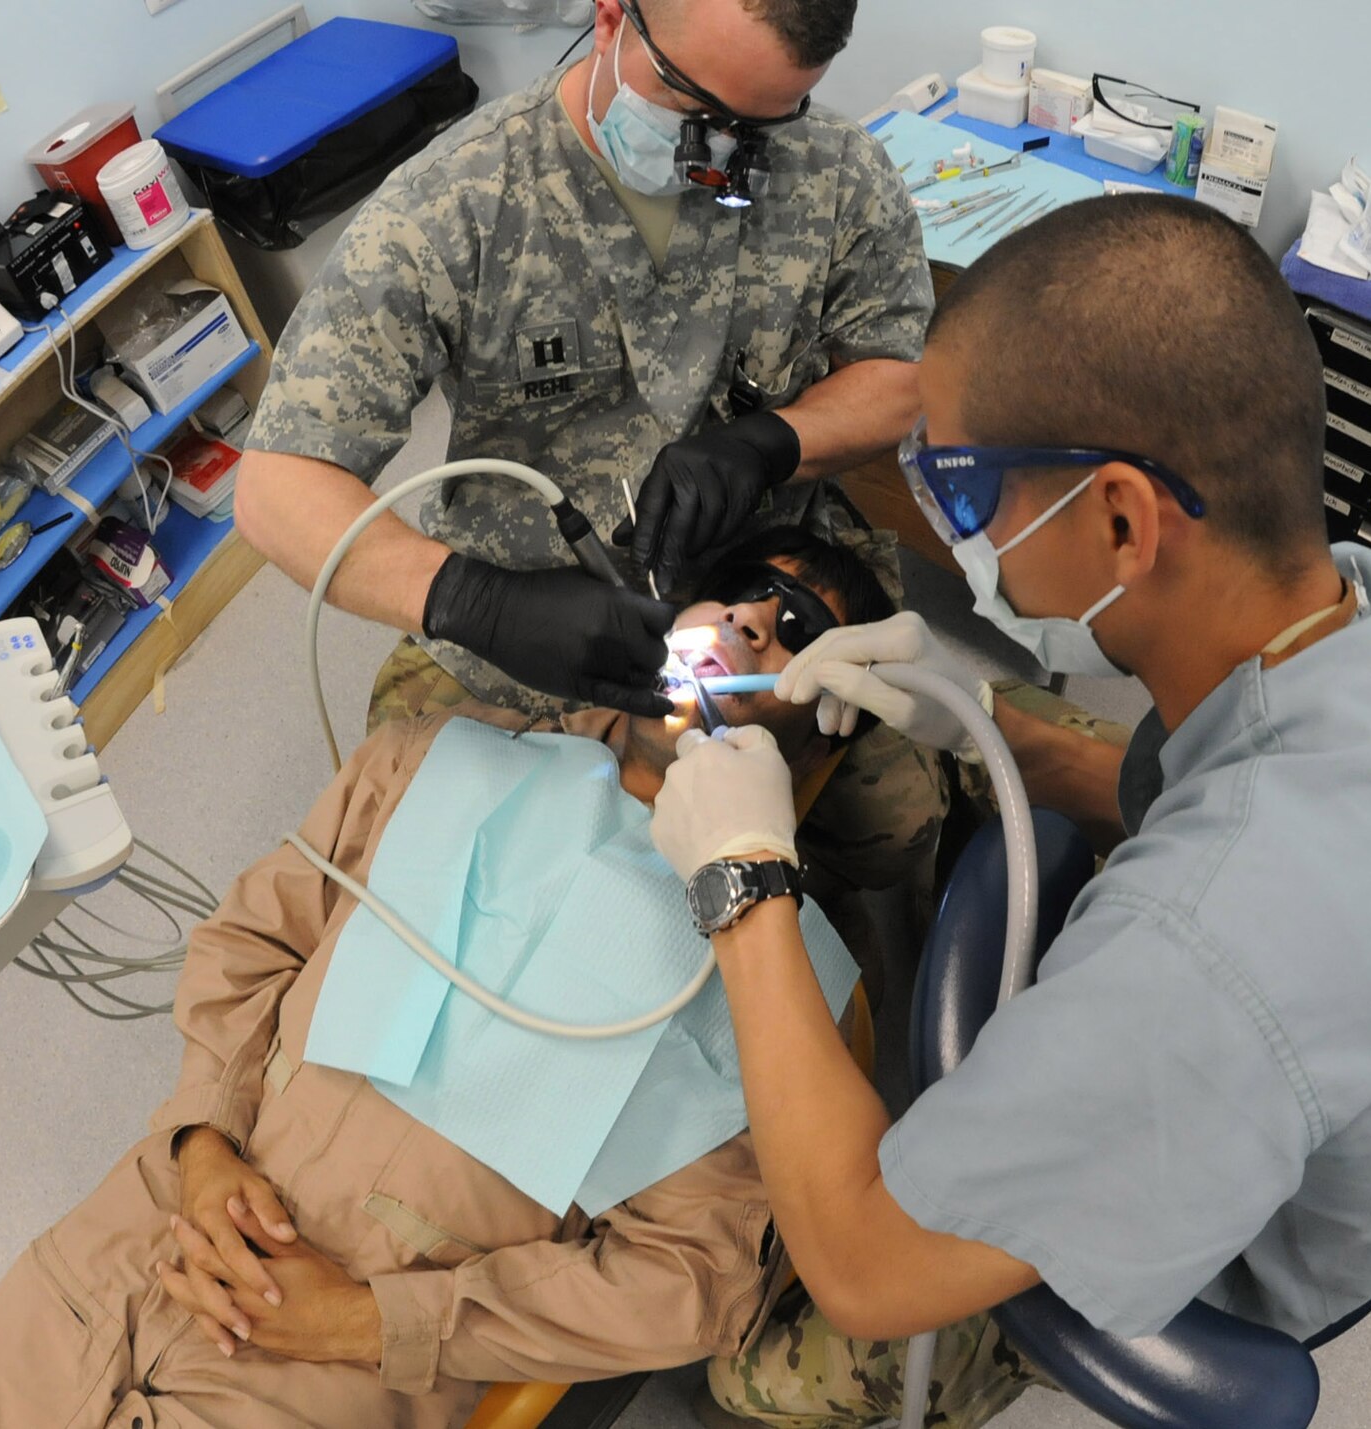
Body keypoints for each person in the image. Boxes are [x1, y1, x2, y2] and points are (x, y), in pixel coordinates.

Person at [649, 195, 1371, 1429]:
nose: (951, 530)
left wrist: (744, 881)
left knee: (752, 1378)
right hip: (1362, 1043)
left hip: (1245, 1242)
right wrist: (976, 721)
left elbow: (866, 1270)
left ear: (1122, 519)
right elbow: (1192, 773)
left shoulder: (1205, 952)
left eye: (964, 491)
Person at [0, 529, 900, 1429]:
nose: (747, 621)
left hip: (325, 1377)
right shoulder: (427, 757)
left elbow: (689, 1282)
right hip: (132, 1244)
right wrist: (205, 1140)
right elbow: (250, 940)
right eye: (739, 591)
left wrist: (370, 1322)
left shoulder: (771, 983)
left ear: (829, 724)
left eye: (794, 630)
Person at [238, 0, 944, 936]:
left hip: (769, 594)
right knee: (434, 855)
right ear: (613, 16)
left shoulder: (840, 172)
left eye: (761, 128)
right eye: (693, 104)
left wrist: (771, 440)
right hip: (521, 618)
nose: (718, 154)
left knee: (898, 821)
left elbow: (900, 379)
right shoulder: (457, 203)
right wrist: (475, 602)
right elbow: (279, 484)